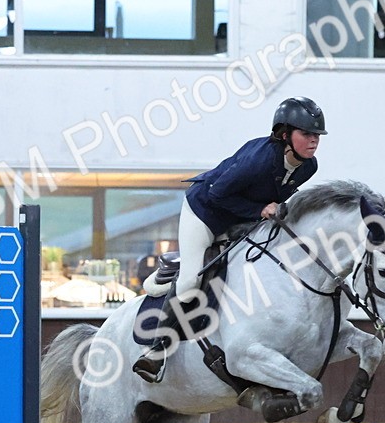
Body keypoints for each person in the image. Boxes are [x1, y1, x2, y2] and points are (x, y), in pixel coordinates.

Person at [132, 96, 326, 382]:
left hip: (240, 220)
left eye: (317, 135)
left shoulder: (309, 167)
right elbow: (217, 194)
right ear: (285, 134)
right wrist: (259, 210)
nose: (314, 141)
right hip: (205, 213)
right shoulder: (258, 159)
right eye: (306, 134)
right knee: (189, 283)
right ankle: (156, 351)